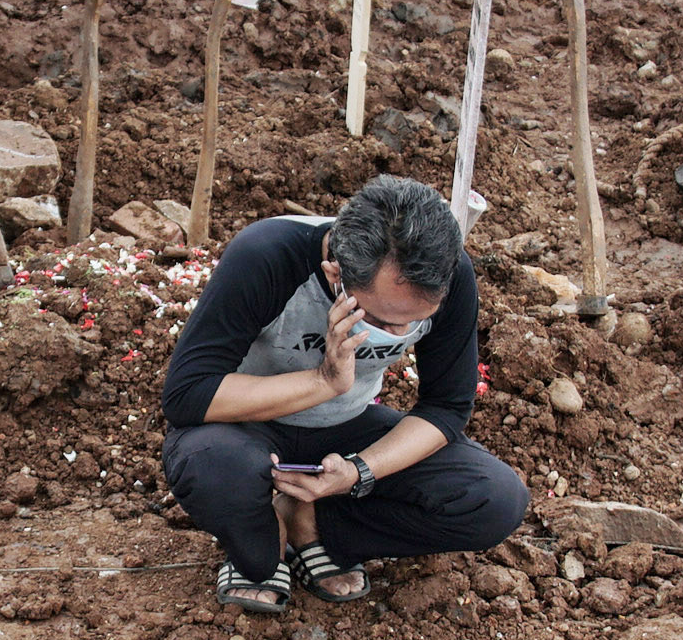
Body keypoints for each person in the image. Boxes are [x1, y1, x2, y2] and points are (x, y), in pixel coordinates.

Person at [161, 175, 528, 613]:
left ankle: (314, 522)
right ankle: (264, 538)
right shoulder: (267, 255)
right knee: (217, 470)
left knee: (496, 500)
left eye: (411, 323)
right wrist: (324, 380)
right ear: (335, 272)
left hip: (346, 427)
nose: (395, 334)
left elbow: (447, 406)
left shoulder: (447, 277)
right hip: (244, 425)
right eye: (378, 319)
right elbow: (188, 394)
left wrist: (358, 471)